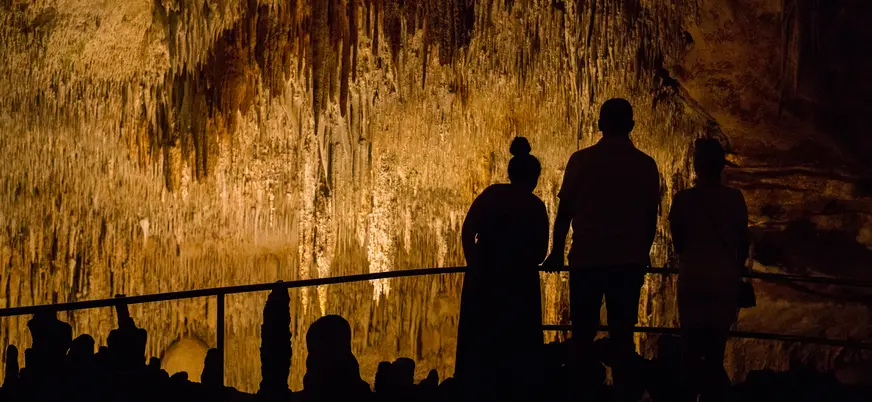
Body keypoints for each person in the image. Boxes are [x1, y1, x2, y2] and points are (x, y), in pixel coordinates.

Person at [544, 98, 661, 402]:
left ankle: (580, 392)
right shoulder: (645, 165)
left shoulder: (581, 161)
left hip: (587, 259)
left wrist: (556, 251)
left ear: (599, 125)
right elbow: (650, 218)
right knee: (622, 334)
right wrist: (643, 252)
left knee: (582, 332)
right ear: (632, 126)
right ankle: (624, 394)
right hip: (627, 261)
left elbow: (565, 211)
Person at [455, 137, 550, 401]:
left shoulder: (492, 195)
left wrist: (473, 260)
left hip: (484, 277)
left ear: (510, 173)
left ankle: (475, 389)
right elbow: (541, 252)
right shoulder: (535, 206)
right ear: (534, 178)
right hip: (519, 283)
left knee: (480, 340)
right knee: (517, 343)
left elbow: (468, 228)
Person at [668, 138, 750, 402]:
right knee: (715, 348)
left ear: (696, 165)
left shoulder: (683, 199)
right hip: (723, 278)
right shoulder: (734, 198)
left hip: (693, 276)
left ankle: (690, 394)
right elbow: (742, 241)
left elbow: (678, 241)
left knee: (690, 347)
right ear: (721, 166)